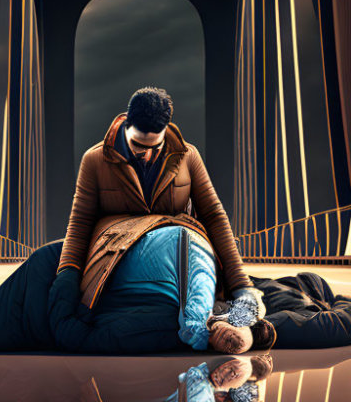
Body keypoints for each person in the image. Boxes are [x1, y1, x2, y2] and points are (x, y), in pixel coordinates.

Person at [0, 226, 276, 357]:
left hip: (67, 283)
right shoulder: (195, 274)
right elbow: (198, 323)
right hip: (56, 278)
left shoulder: (196, 276)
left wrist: (243, 322)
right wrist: (218, 334)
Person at [54, 87, 265, 321]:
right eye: (138, 145)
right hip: (118, 262)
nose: (146, 154)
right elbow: (81, 221)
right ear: (126, 125)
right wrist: (68, 273)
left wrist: (240, 285)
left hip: (175, 262)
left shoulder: (188, 156)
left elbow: (214, 216)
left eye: (155, 147)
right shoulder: (95, 160)